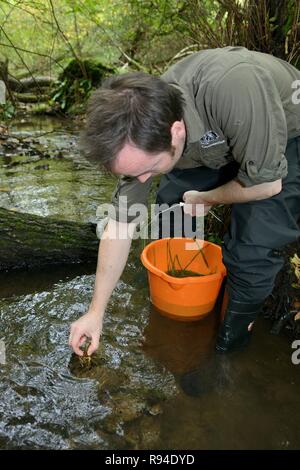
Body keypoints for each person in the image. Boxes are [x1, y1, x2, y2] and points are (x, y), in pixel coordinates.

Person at [69, 46, 300, 389]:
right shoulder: (139, 129)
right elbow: (120, 224)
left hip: (283, 139)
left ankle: (227, 350)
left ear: (175, 132)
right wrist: (95, 311)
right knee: (169, 205)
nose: (141, 181)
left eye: (147, 170)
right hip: (212, 144)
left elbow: (267, 185)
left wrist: (208, 198)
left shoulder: (235, 86)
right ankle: (182, 296)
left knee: (251, 251)